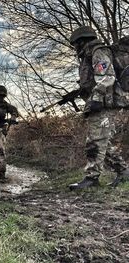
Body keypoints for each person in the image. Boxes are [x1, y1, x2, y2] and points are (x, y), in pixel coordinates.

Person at [68, 26, 129, 190]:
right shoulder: (89, 55)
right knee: (103, 142)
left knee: (95, 142)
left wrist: (95, 98)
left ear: (82, 41)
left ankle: (91, 179)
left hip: (102, 104)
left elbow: (107, 77)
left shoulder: (98, 51)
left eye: (75, 44)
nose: (75, 48)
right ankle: (123, 172)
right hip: (100, 103)